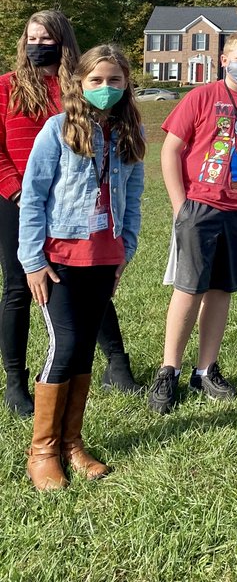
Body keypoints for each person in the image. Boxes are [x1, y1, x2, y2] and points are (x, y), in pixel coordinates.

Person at [0, 11, 140, 419]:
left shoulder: (77, 85)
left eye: (47, 37)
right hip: (17, 198)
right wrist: (16, 191)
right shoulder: (7, 87)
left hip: (77, 204)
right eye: (32, 36)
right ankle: (15, 380)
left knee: (85, 279)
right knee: (20, 286)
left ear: (64, 43)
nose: (38, 43)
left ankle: (116, 361)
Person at [18, 45, 145, 490]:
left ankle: (73, 443)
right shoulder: (57, 130)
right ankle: (43, 451)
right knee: (65, 344)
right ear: (79, 84)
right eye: (96, 81)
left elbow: (133, 198)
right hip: (59, 261)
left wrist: (124, 250)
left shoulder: (128, 133)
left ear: (127, 83)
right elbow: (33, 196)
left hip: (103, 256)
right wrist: (33, 261)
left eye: (114, 80)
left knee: (86, 347)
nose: (106, 89)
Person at [148, 30, 237, 415]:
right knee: (189, 288)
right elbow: (171, 149)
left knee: (222, 289)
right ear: (224, 59)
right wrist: (179, 206)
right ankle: (168, 370)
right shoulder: (201, 97)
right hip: (200, 208)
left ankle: (204, 369)